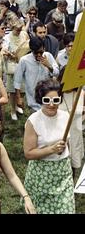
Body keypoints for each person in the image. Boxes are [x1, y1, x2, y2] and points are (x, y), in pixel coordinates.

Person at [23, 79, 75, 214]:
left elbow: (67, 143)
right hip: (41, 176)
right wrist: (51, 149)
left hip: (63, 174)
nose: (52, 104)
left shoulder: (65, 116)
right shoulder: (33, 121)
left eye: (56, 100)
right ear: (40, 100)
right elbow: (28, 153)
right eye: (47, 101)